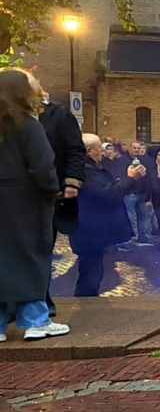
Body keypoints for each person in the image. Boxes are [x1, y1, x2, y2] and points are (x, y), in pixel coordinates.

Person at [0, 69, 66, 341]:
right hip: (26, 202)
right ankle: (36, 319)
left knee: (2, 260)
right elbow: (42, 168)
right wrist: (52, 192)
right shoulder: (28, 125)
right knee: (31, 258)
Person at [73, 134, 146, 296]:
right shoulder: (87, 170)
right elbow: (109, 194)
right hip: (89, 231)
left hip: (90, 230)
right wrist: (130, 179)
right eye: (100, 147)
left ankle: (88, 306)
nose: (103, 151)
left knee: (93, 272)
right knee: (90, 276)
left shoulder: (86, 167)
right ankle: (87, 309)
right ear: (89, 151)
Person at [37, 90, 86, 318]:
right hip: (13, 194)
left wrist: (72, 182)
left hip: (48, 195)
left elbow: (75, 149)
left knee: (42, 247)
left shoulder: (59, 115)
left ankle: (40, 299)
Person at [123, 141, 156, 247]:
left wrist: (147, 194)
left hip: (141, 193)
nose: (136, 150)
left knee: (143, 216)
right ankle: (125, 241)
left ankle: (142, 237)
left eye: (138, 148)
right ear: (129, 148)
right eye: (134, 148)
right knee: (129, 217)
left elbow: (146, 177)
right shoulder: (124, 160)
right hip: (130, 194)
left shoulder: (142, 160)